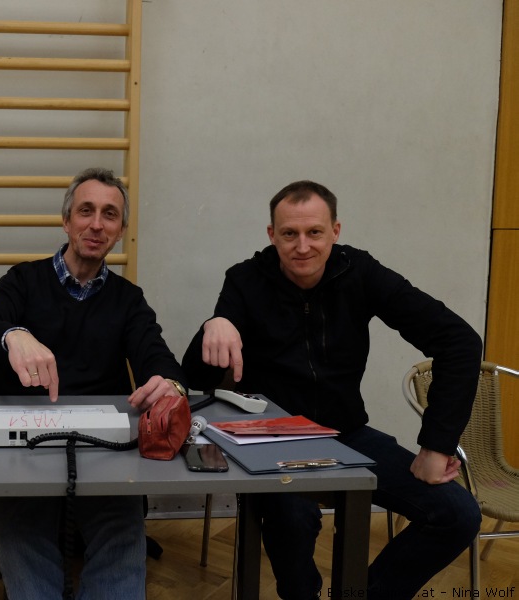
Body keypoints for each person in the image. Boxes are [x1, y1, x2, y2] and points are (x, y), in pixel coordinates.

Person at [183, 180, 483, 600]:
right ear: (272, 235)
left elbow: (459, 341)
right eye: (290, 234)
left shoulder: (359, 272)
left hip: (346, 433)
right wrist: (213, 325)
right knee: (294, 516)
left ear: (335, 232)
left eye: (315, 233)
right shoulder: (245, 280)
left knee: (458, 514)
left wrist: (437, 445)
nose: (302, 246)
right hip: (271, 438)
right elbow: (195, 375)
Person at [0, 167, 187, 600]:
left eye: (110, 215)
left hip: (100, 447)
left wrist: (170, 384)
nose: (96, 224)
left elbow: (158, 357)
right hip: (22, 445)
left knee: (122, 541)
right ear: (66, 221)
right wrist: (14, 335)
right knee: (25, 542)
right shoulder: (23, 280)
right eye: (86, 211)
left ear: (120, 231)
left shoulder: (128, 299)